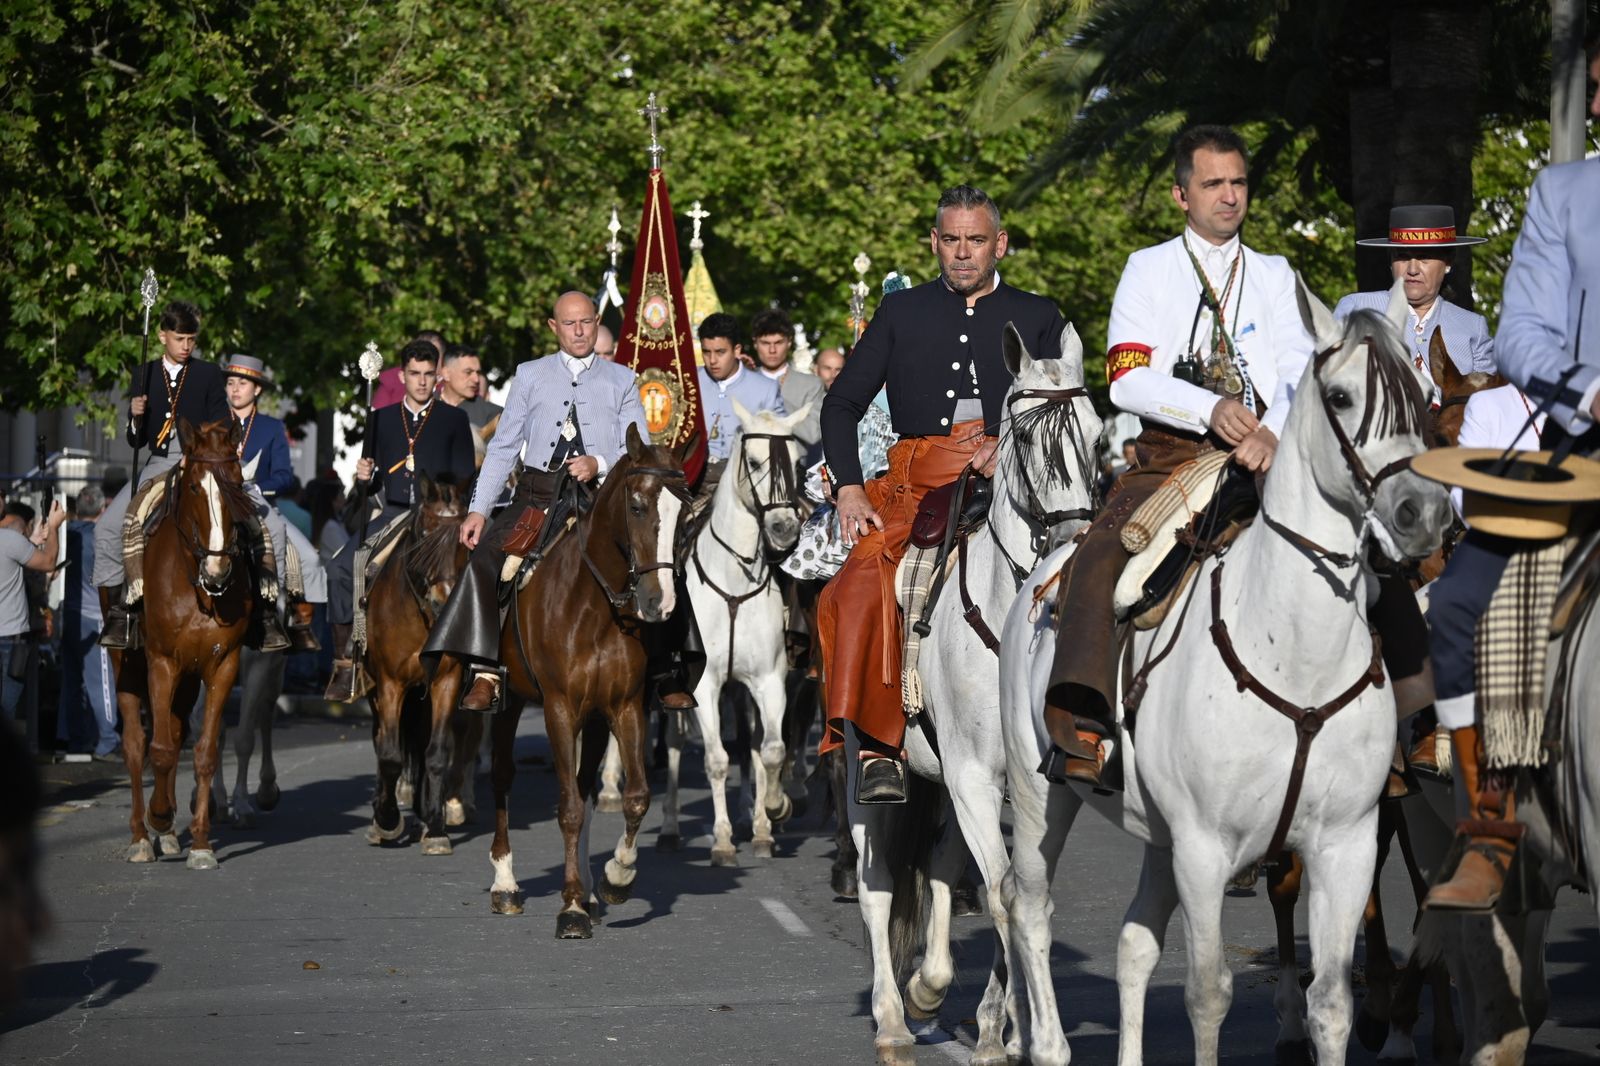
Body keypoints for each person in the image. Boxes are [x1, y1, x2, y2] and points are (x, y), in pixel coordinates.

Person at [1039, 125, 1315, 790]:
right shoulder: (1149, 268)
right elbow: (1127, 377)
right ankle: (1083, 721)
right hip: (1174, 456)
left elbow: (1303, 368)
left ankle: (1408, 727)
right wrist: (1208, 409)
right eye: (1212, 184)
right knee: (1101, 552)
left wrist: (1272, 431)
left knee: (1355, 544)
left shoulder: (1277, 274)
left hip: (1272, 454)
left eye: (1238, 182)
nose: (1229, 196)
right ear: (1180, 195)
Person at [1421, 45, 1600, 912]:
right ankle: (1490, 818)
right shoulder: (1562, 195)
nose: (1598, 105)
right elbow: (1524, 331)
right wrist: (1590, 388)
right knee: (1460, 605)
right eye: (1597, 91)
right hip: (1591, 450)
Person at [819, 183, 1066, 803]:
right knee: (857, 583)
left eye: (975, 241)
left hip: (1018, 484)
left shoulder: (1040, 316)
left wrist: (1006, 442)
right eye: (951, 240)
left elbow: (1069, 406)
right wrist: (850, 488)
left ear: (999, 244)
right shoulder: (901, 314)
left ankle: (1081, 729)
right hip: (916, 486)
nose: (962, 253)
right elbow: (842, 404)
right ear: (934, 243)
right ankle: (878, 745)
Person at [423, 291, 652, 712]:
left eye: (586, 322)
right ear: (554, 327)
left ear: (597, 320)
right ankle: (485, 671)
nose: (579, 331)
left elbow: (640, 448)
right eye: (569, 324)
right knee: (485, 562)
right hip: (536, 497)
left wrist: (598, 461)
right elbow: (504, 446)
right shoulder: (529, 375)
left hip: (602, 499)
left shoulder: (623, 379)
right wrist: (477, 509)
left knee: (662, 559)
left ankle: (668, 669)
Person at [95, 300, 286, 651]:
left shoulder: (208, 372)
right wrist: (135, 417)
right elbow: (136, 441)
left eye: (191, 340)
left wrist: (199, 454)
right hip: (157, 461)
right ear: (163, 335)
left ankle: (265, 614)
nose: (186, 346)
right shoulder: (144, 373)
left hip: (202, 460)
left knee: (266, 525)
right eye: (180, 338)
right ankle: (121, 612)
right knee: (105, 529)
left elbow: (224, 423)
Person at [325, 340, 476, 701]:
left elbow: (465, 475)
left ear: (437, 376)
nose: (421, 382)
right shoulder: (380, 419)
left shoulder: (454, 419)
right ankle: (346, 663)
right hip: (392, 513)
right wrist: (364, 477)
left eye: (428, 375)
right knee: (342, 569)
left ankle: (481, 665)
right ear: (402, 375)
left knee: (479, 572)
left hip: (439, 520)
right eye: (414, 374)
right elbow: (369, 486)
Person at [222, 355, 327, 651]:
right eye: (230, 383)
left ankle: (292, 618)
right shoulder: (216, 423)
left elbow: (284, 477)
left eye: (242, 383)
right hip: (220, 503)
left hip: (260, 502)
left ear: (257, 390)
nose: (235, 389)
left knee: (311, 558)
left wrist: (256, 486)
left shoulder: (271, 427)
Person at [1334, 205, 1494, 384]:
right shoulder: (1358, 309)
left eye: (1424, 257)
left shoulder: (1472, 327)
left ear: (1448, 262)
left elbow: (1487, 401)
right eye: (1402, 256)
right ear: (1391, 260)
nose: (1412, 269)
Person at [56, 486, 118, 760]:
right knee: (101, 681)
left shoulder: (66, 535)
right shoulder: (100, 538)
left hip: (67, 614)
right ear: (102, 510)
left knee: (73, 681)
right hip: (94, 616)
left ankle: (77, 740)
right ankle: (107, 739)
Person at [1, 499, 64, 726]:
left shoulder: (12, 541)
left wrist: (30, 541)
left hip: (13, 638)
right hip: (11, 638)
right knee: (7, 712)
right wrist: (54, 526)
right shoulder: (9, 540)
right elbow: (48, 562)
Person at [698, 313, 786, 473]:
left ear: (737, 350)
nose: (712, 360)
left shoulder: (766, 388)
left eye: (720, 352)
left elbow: (779, 442)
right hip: (693, 481)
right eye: (706, 352)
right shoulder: (689, 381)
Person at [749, 309, 826, 466]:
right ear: (755, 343)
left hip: (793, 471)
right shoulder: (746, 381)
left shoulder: (811, 385)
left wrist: (774, 396)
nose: (772, 350)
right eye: (765, 343)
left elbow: (813, 433)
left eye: (778, 343)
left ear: (789, 342)